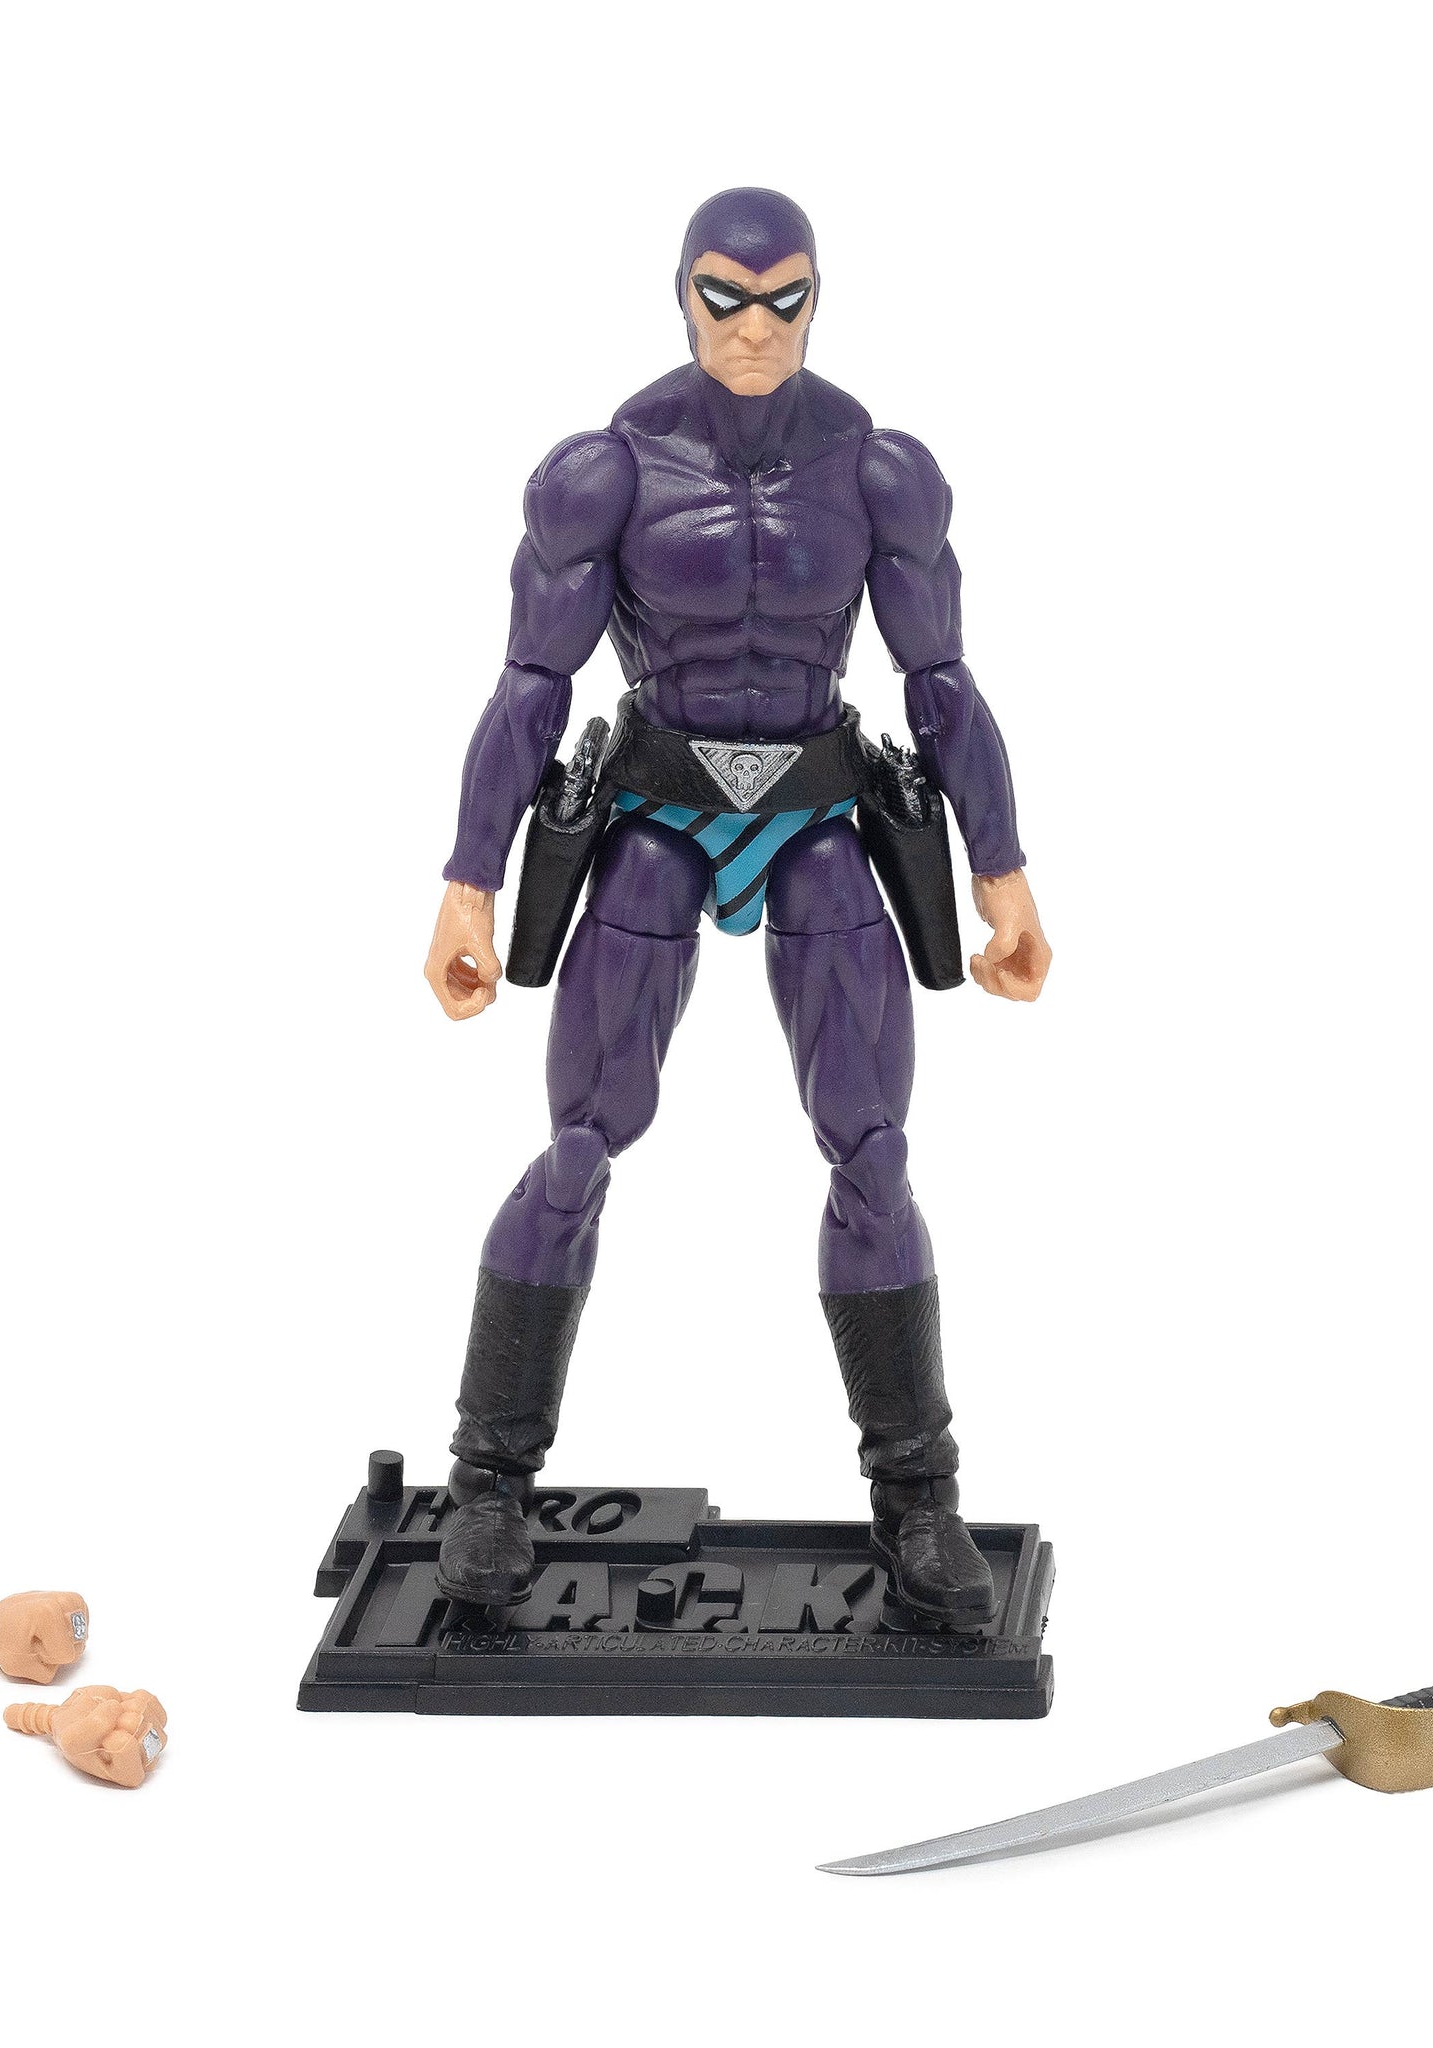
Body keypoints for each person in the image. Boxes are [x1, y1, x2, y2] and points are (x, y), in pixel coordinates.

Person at [421, 188, 1050, 1623]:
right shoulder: (606, 471)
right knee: (581, 1142)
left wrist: (1002, 870)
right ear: (681, 295)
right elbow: (530, 689)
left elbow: (941, 683)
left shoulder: (878, 470)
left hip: (820, 822)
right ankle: (488, 1481)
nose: (754, 327)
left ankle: (919, 1498)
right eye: (725, 297)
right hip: (656, 819)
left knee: (873, 1151)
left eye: (783, 299)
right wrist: (469, 881)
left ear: (819, 298)